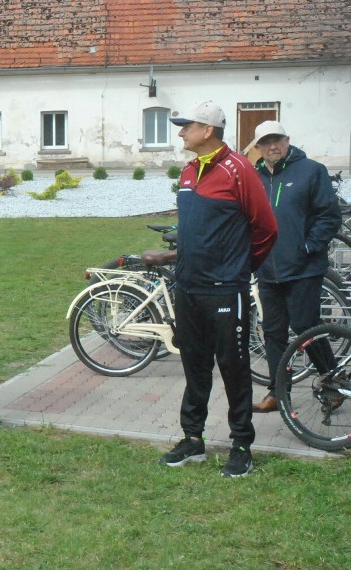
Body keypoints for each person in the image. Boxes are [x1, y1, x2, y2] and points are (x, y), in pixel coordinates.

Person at [160, 101, 278, 477]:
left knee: (233, 368)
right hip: (189, 288)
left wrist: (238, 269)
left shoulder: (239, 169)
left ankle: (241, 444)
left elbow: (266, 229)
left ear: (208, 130)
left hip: (226, 289)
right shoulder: (189, 170)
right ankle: (192, 439)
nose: (181, 132)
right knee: (195, 366)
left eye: (187, 126)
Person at [251, 121, 343, 413]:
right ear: (258, 148)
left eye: (276, 140)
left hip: (304, 268)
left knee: (306, 328)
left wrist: (308, 246)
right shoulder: (255, 178)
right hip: (267, 269)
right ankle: (278, 392)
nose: (272, 146)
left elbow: (329, 216)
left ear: (287, 140)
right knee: (273, 331)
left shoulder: (311, 171)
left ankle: (333, 383)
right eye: (265, 142)